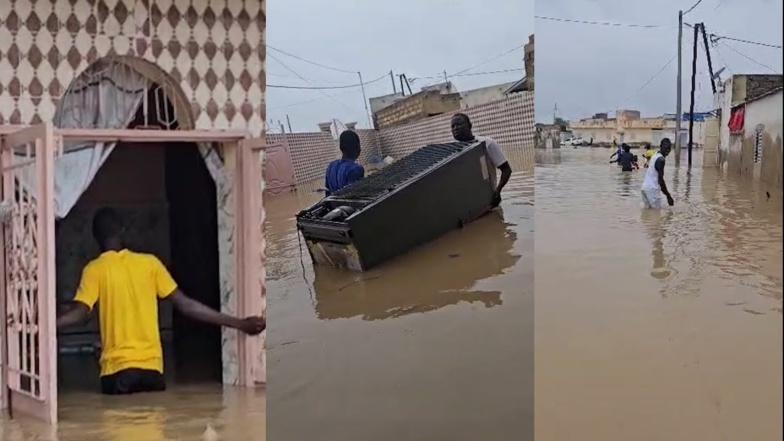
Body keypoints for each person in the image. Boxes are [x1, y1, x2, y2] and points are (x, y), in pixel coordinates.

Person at [56, 208, 266, 395]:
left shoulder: (94, 270)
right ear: (122, 230)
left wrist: (45, 327)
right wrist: (240, 323)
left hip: (117, 374)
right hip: (153, 373)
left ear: (96, 238)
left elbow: (80, 313)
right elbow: (187, 305)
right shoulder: (150, 264)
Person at [450, 113, 512, 208]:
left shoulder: (487, 143)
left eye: (459, 124)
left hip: (489, 201)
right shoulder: (451, 150)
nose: (455, 128)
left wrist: (498, 190)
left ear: (470, 126)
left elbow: (506, 170)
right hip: (466, 204)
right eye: (453, 126)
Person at [325, 130, 365, 196]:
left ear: (341, 148)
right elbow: (356, 197)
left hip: (334, 205)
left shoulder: (331, 166)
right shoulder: (356, 169)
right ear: (357, 147)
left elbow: (327, 195)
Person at [641, 138, 675, 209]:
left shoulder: (655, 155)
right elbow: (660, 180)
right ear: (661, 146)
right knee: (656, 216)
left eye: (669, 148)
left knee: (648, 214)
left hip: (644, 188)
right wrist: (668, 196)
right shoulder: (661, 160)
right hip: (652, 190)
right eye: (666, 148)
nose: (667, 150)